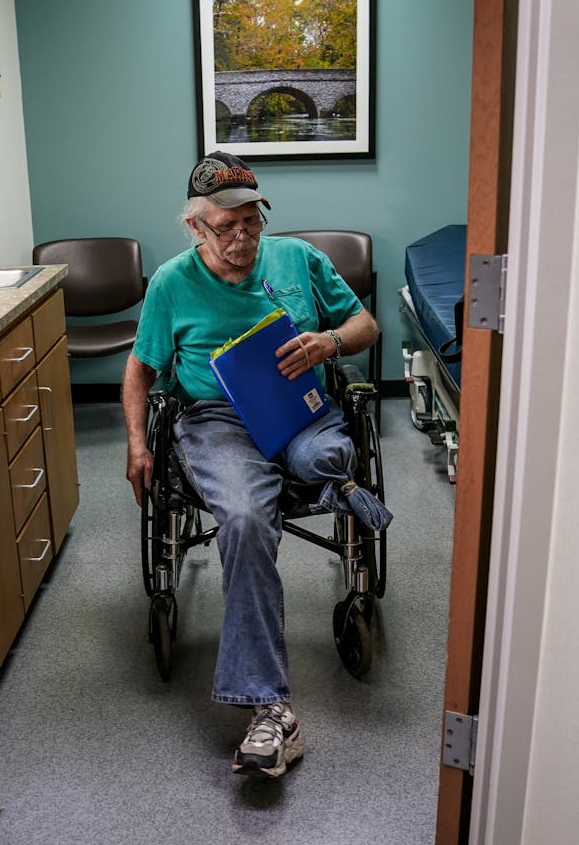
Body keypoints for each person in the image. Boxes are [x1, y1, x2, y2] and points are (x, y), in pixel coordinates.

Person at [121, 151, 391, 779]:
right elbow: (140, 366)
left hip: (298, 406)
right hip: (217, 419)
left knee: (322, 446)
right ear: (195, 227)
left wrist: (331, 342)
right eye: (226, 226)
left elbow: (366, 323)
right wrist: (138, 445)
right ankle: (271, 709)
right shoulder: (170, 283)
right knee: (243, 516)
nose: (242, 237)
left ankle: (331, 471)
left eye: (252, 221)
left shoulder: (298, 260)